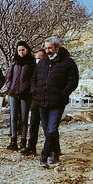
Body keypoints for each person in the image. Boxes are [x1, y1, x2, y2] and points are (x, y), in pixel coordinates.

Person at [30, 36, 79, 168]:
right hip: (42, 102)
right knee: (48, 131)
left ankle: (43, 157)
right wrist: (35, 91)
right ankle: (55, 152)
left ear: (57, 47)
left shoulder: (68, 62)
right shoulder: (42, 62)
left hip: (57, 103)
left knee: (51, 130)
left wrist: (63, 93)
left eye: (50, 48)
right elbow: (34, 79)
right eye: (46, 48)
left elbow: (73, 81)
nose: (47, 51)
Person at [3, 40, 35, 151]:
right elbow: (8, 76)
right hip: (13, 94)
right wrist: (9, 86)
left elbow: (34, 79)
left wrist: (29, 89)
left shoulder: (31, 63)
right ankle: (13, 141)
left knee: (24, 118)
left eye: (23, 50)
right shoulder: (14, 62)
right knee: (13, 118)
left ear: (27, 50)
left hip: (25, 95)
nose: (21, 52)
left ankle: (23, 141)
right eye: (19, 50)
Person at [21, 48, 45, 155]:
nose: (38, 61)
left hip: (47, 100)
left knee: (48, 126)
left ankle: (54, 148)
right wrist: (33, 91)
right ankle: (31, 147)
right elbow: (32, 81)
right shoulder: (34, 69)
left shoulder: (50, 68)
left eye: (40, 58)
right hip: (36, 99)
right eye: (36, 58)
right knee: (34, 124)